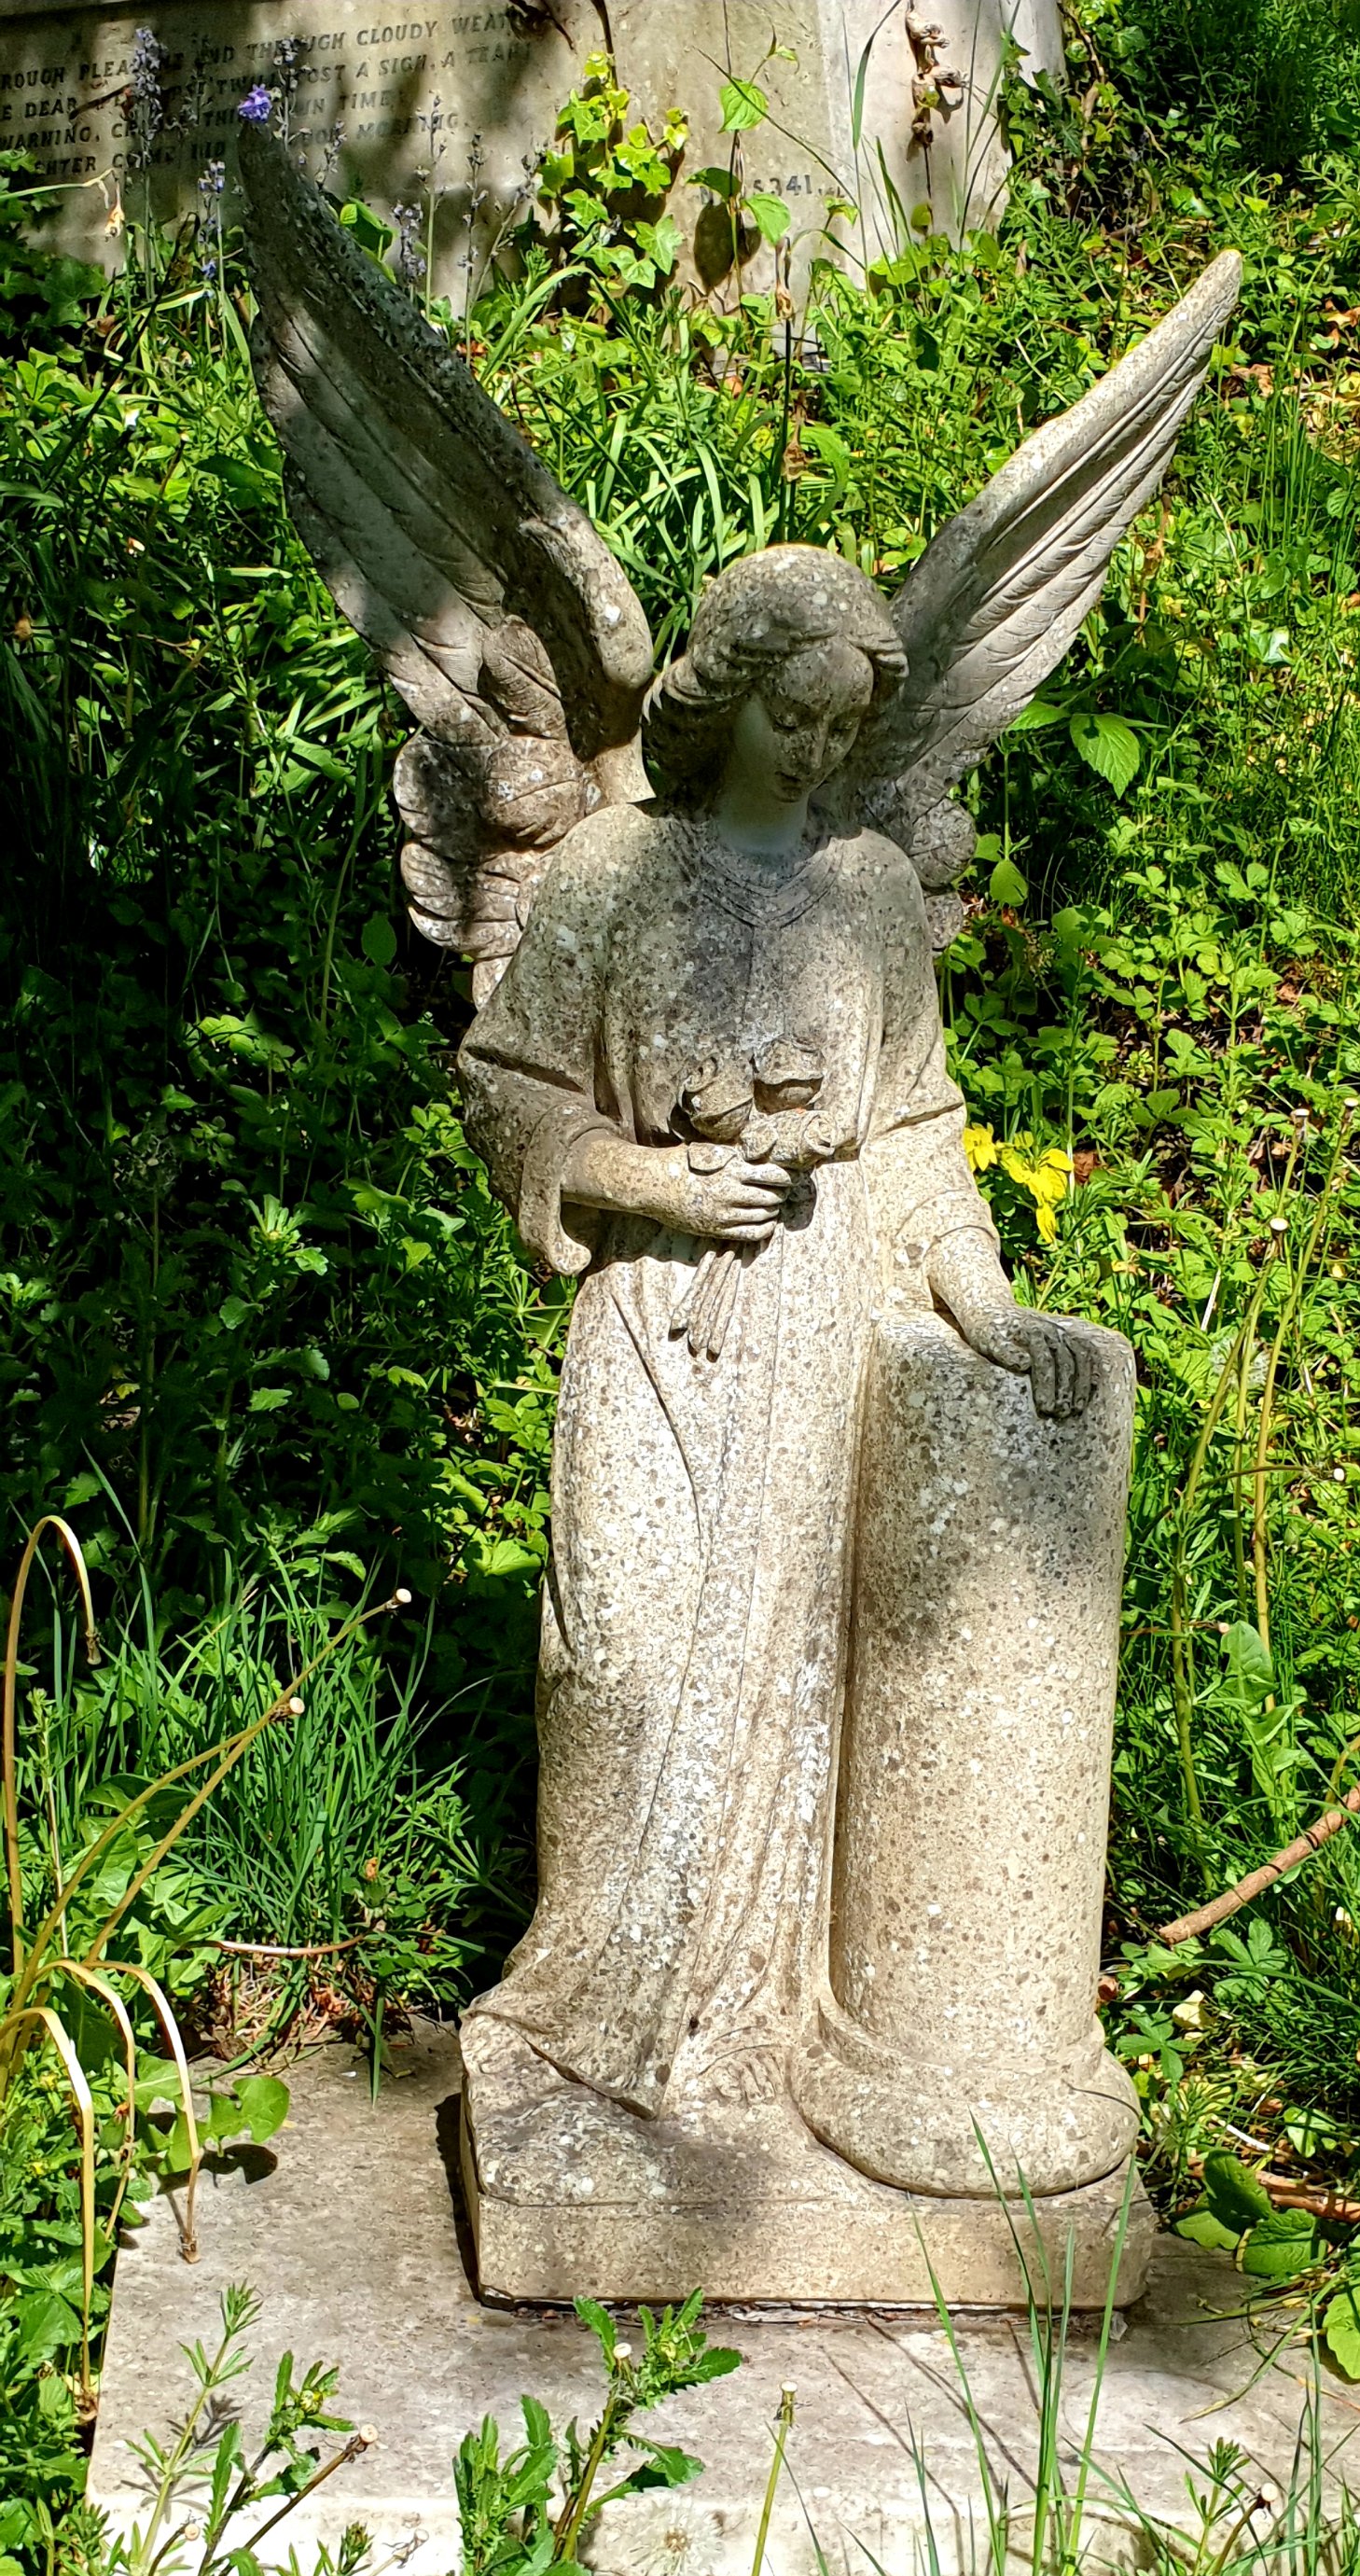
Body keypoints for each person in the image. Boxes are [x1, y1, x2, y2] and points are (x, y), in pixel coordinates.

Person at [458, 545, 1091, 2130]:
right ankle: (589, 2006)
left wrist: (982, 1297)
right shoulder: (613, 867)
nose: (812, 751)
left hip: (818, 1323)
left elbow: (918, 1125)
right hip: (651, 1317)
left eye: (839, 728)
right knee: (617, 1654)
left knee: (785, 1685)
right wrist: (645, 1180)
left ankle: (740, 2035)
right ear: (721, 693)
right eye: (788, 715)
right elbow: (508, 1082)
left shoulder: (867, 891)